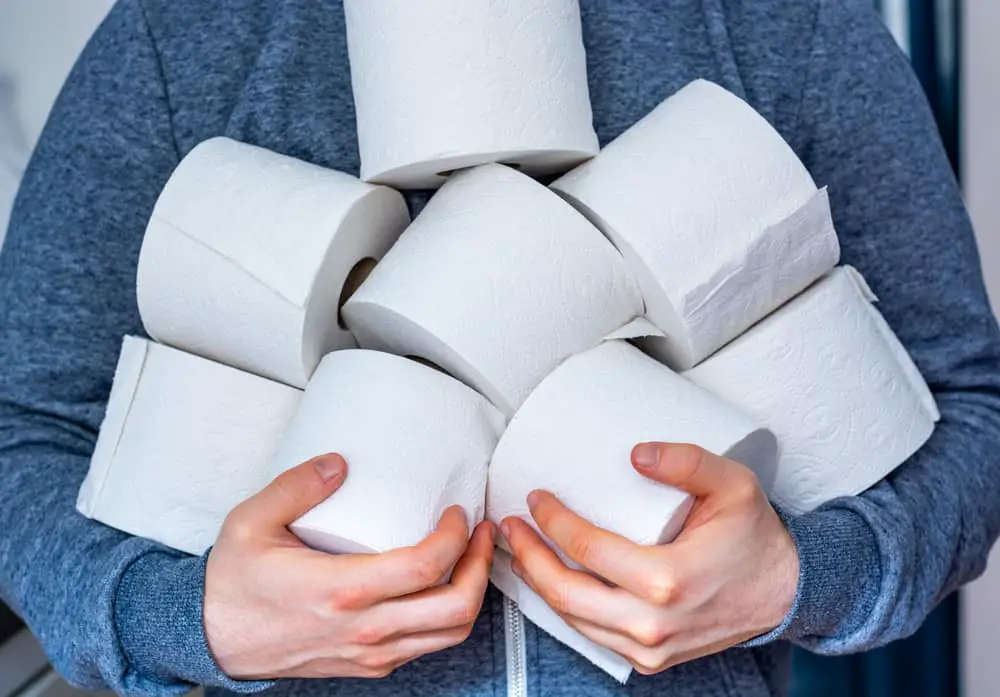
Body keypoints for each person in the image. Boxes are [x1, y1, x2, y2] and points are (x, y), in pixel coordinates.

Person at [1, 0, 998, 695]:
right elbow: (20, 432)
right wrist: (184, 617)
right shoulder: (185, 34)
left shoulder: (779, 22)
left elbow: (967, 404)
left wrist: (801, 575)